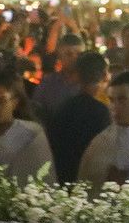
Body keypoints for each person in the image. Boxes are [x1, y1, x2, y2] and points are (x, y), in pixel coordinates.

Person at [46, 51, 113, 183]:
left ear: (77, 76)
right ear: (105, 75)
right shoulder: (102, 112)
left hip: (62, 178)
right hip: (87, 182)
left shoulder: (64, 107)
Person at [32, 31, 85, 119]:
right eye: (69, 54)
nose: (75, 58)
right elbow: (36, 111)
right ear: (59, 56)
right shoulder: (48, 83)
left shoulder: (88, 83)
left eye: (79, 54)